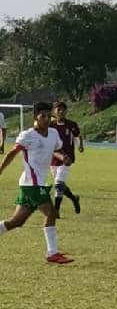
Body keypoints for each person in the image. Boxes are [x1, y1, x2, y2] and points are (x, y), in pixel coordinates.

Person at [0, 102, 74, 264]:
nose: (46, 119)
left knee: (16, 222)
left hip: (37, 183)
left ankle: (52, 253)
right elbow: (12, 153)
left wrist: (63, 158)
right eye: (43, 116)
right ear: (35, 117)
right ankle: (52, 253)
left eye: (49, 116)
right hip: (31, 184)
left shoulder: (53, 133)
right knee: (51, 213)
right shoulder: (28, 135)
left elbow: (55, 149)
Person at [50, 101, 83, 217]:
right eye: (58, 109)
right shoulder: (51, 125)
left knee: (58, 184)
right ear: (54, 112)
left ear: (66, 111)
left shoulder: (71, 124)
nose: (61, 112)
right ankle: (74, 198)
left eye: (63, 109)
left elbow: (78, 135)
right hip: (53, 158)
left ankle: (56, 210)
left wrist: (80, 145)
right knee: (60, 185)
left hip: (67, 158)